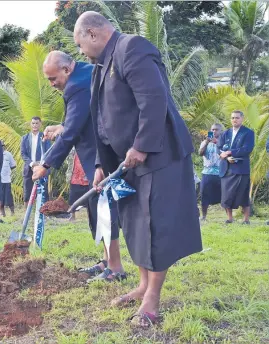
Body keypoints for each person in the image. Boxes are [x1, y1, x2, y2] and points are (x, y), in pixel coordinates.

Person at [72, 12, 203, 327]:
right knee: (136, 227)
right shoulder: (101, 66)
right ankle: (143, 285)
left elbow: (154, 99)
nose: (80, 52)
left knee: (155, 226)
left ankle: (152, 298)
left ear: (92, 33)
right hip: (125, 164)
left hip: (159, 156)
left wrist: (142, 145)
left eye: (79, 44)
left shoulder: (131, 48)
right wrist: (102, 164)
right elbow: (102, 119)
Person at [33, 50, 125, 283]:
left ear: (66, 69)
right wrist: (61, 126)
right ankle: (106, 261)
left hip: (101, 155)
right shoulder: (85, 72)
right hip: (100, 151)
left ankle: (115, 267)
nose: (52, 84)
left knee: (104, 209)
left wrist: (46, 164)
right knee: (98, 208)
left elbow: (74, 131)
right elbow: (82, 118)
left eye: (53, 79)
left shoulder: (77, 86)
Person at [217, 110, 255, 224]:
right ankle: (230, 218)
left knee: (243, 195)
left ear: (242, 119)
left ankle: (246, 219)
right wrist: (223, 155)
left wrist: (229, 152)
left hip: (241, 169)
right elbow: (218, 147)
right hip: (227, 168)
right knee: (226, 195)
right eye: (233, 118)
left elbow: (247, 149)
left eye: (237, 118)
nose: (234, 120)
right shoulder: (225, 133)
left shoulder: (248, 133)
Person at [20, 117, 51, 206]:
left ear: (40, 124)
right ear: (30, 124)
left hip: (42, 167)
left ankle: (44, 214)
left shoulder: (45, 138)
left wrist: (40, 164)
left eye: (37, 123)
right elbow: (23, 154)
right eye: (33, 123)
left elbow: (48, 152)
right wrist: (32, 164)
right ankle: (27, 215)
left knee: (43, 192)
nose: (35, 125)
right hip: (29, 168)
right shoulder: (24, 138)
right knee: (27, 192)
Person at [198, 123, 223, 221]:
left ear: (220, 131)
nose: (214, 131)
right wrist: (207, 142)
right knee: (204, 195)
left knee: (223, 195)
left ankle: (229, 217)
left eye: (216, 129)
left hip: (220, 172)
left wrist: (216, 142)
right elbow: (200, 153)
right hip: (207, 172)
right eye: (212, 129)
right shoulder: (205, 142)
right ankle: (204, 216)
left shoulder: (223, 142)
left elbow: (225, 152)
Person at [65, 148, 91, 222]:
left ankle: (90, 217)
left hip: (87, 177)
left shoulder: (88, 149)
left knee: (89, 199)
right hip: (75, 177)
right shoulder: (73, 150)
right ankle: (72, 216)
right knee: (72, 199)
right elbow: (68, 160)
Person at [0, 144, 17, 216]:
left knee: (8, 196)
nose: (1, 147)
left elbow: (13, 165)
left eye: (2, 146)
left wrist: (7, 171)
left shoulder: (8, 154)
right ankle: (2, 212)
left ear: (4, 146)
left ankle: (12, 212)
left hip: (7, 179)